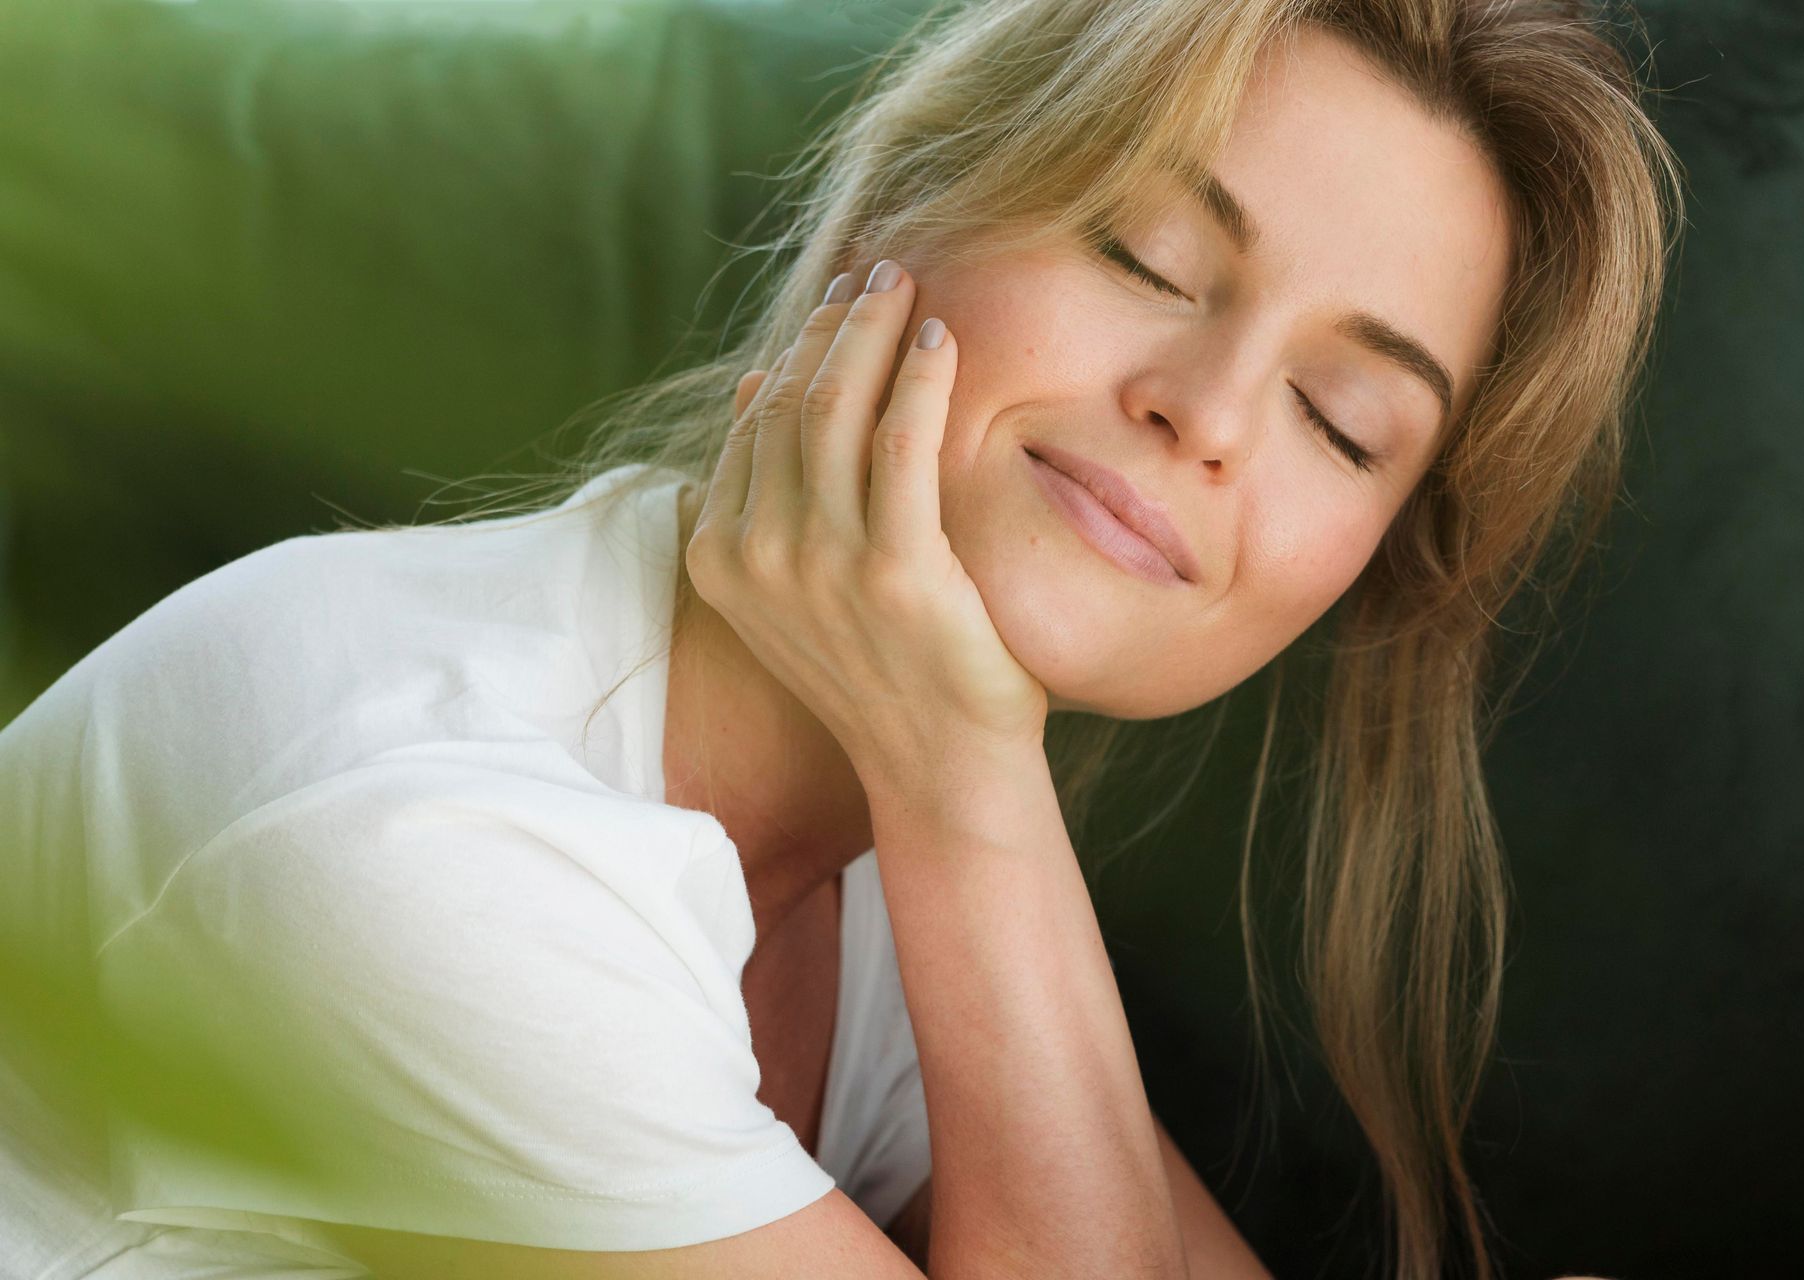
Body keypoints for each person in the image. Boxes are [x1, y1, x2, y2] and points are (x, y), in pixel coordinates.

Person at [0, 1, 1682, 1277]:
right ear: (901, 219)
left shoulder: (872, 856)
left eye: (1343, 416)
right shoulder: (445, 848)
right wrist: (965, 779)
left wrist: (954, 792)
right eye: (1144, 253)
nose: (1214, 415)